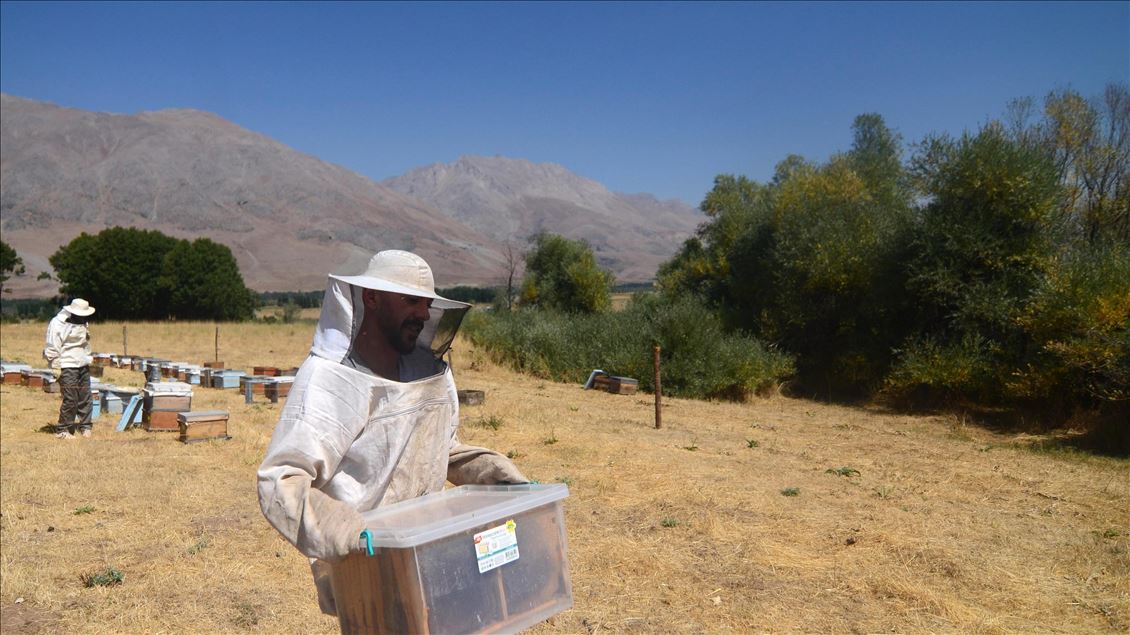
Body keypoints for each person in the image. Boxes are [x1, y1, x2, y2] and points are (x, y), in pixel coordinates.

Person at [257, 250, 528, 616]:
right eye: (411, 301)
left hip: (429, 546)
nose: (422, 313)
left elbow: (439, 449)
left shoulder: (425, 370)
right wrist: (348, 532)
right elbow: (281, 479)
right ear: (371, 297)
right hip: (366, 565)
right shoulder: (330, 380)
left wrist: (499, 477)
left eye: (427, 304)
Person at [43, 298, 96, 439]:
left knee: (85, 396)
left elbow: (84, 342)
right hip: (66, 364)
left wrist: (87, 357)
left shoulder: (83, 321)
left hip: (82, 362)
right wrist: (55, 366)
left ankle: (85, 426)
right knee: (71, 398)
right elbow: (52, 345)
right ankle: (63, 430)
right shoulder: (58, 323)